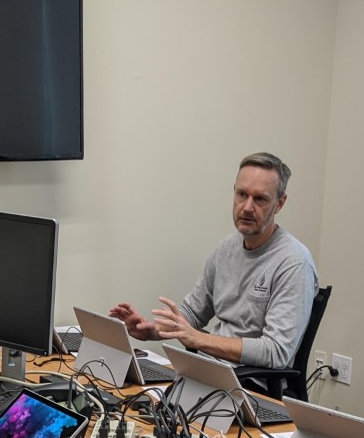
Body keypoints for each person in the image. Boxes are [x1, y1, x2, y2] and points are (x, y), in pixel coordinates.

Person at [110, 152, 318, 369]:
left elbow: (276, 352)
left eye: (260, 199)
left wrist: (199, 339)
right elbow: (192, 314)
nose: (247, 207)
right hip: (207, 371)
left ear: (279, 203)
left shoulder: (294, 263)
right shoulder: (226, 249)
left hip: (251, 387)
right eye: (242, 195)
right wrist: (150, 331)